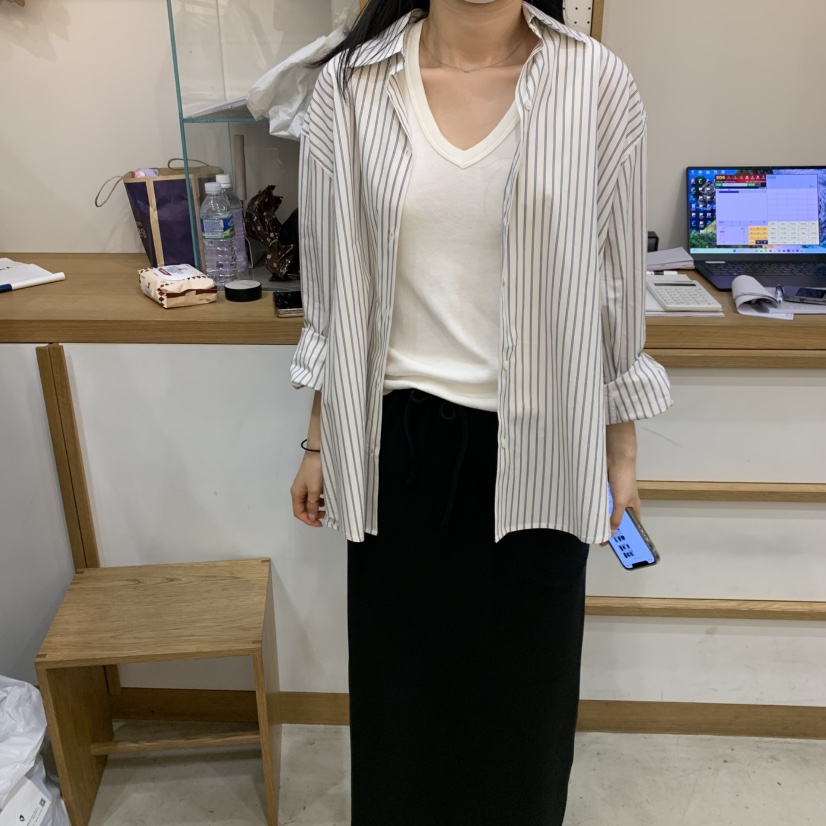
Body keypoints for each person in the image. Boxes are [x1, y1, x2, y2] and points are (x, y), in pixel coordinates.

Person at [289, 1, 673, 823]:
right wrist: (317, 442)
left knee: (523, 722)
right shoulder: (351, 89)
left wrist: (622, 455)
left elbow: (615, 285)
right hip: (398, 450)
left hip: (544, 446)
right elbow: (330, 286)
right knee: (404, 717)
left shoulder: (594, 83)